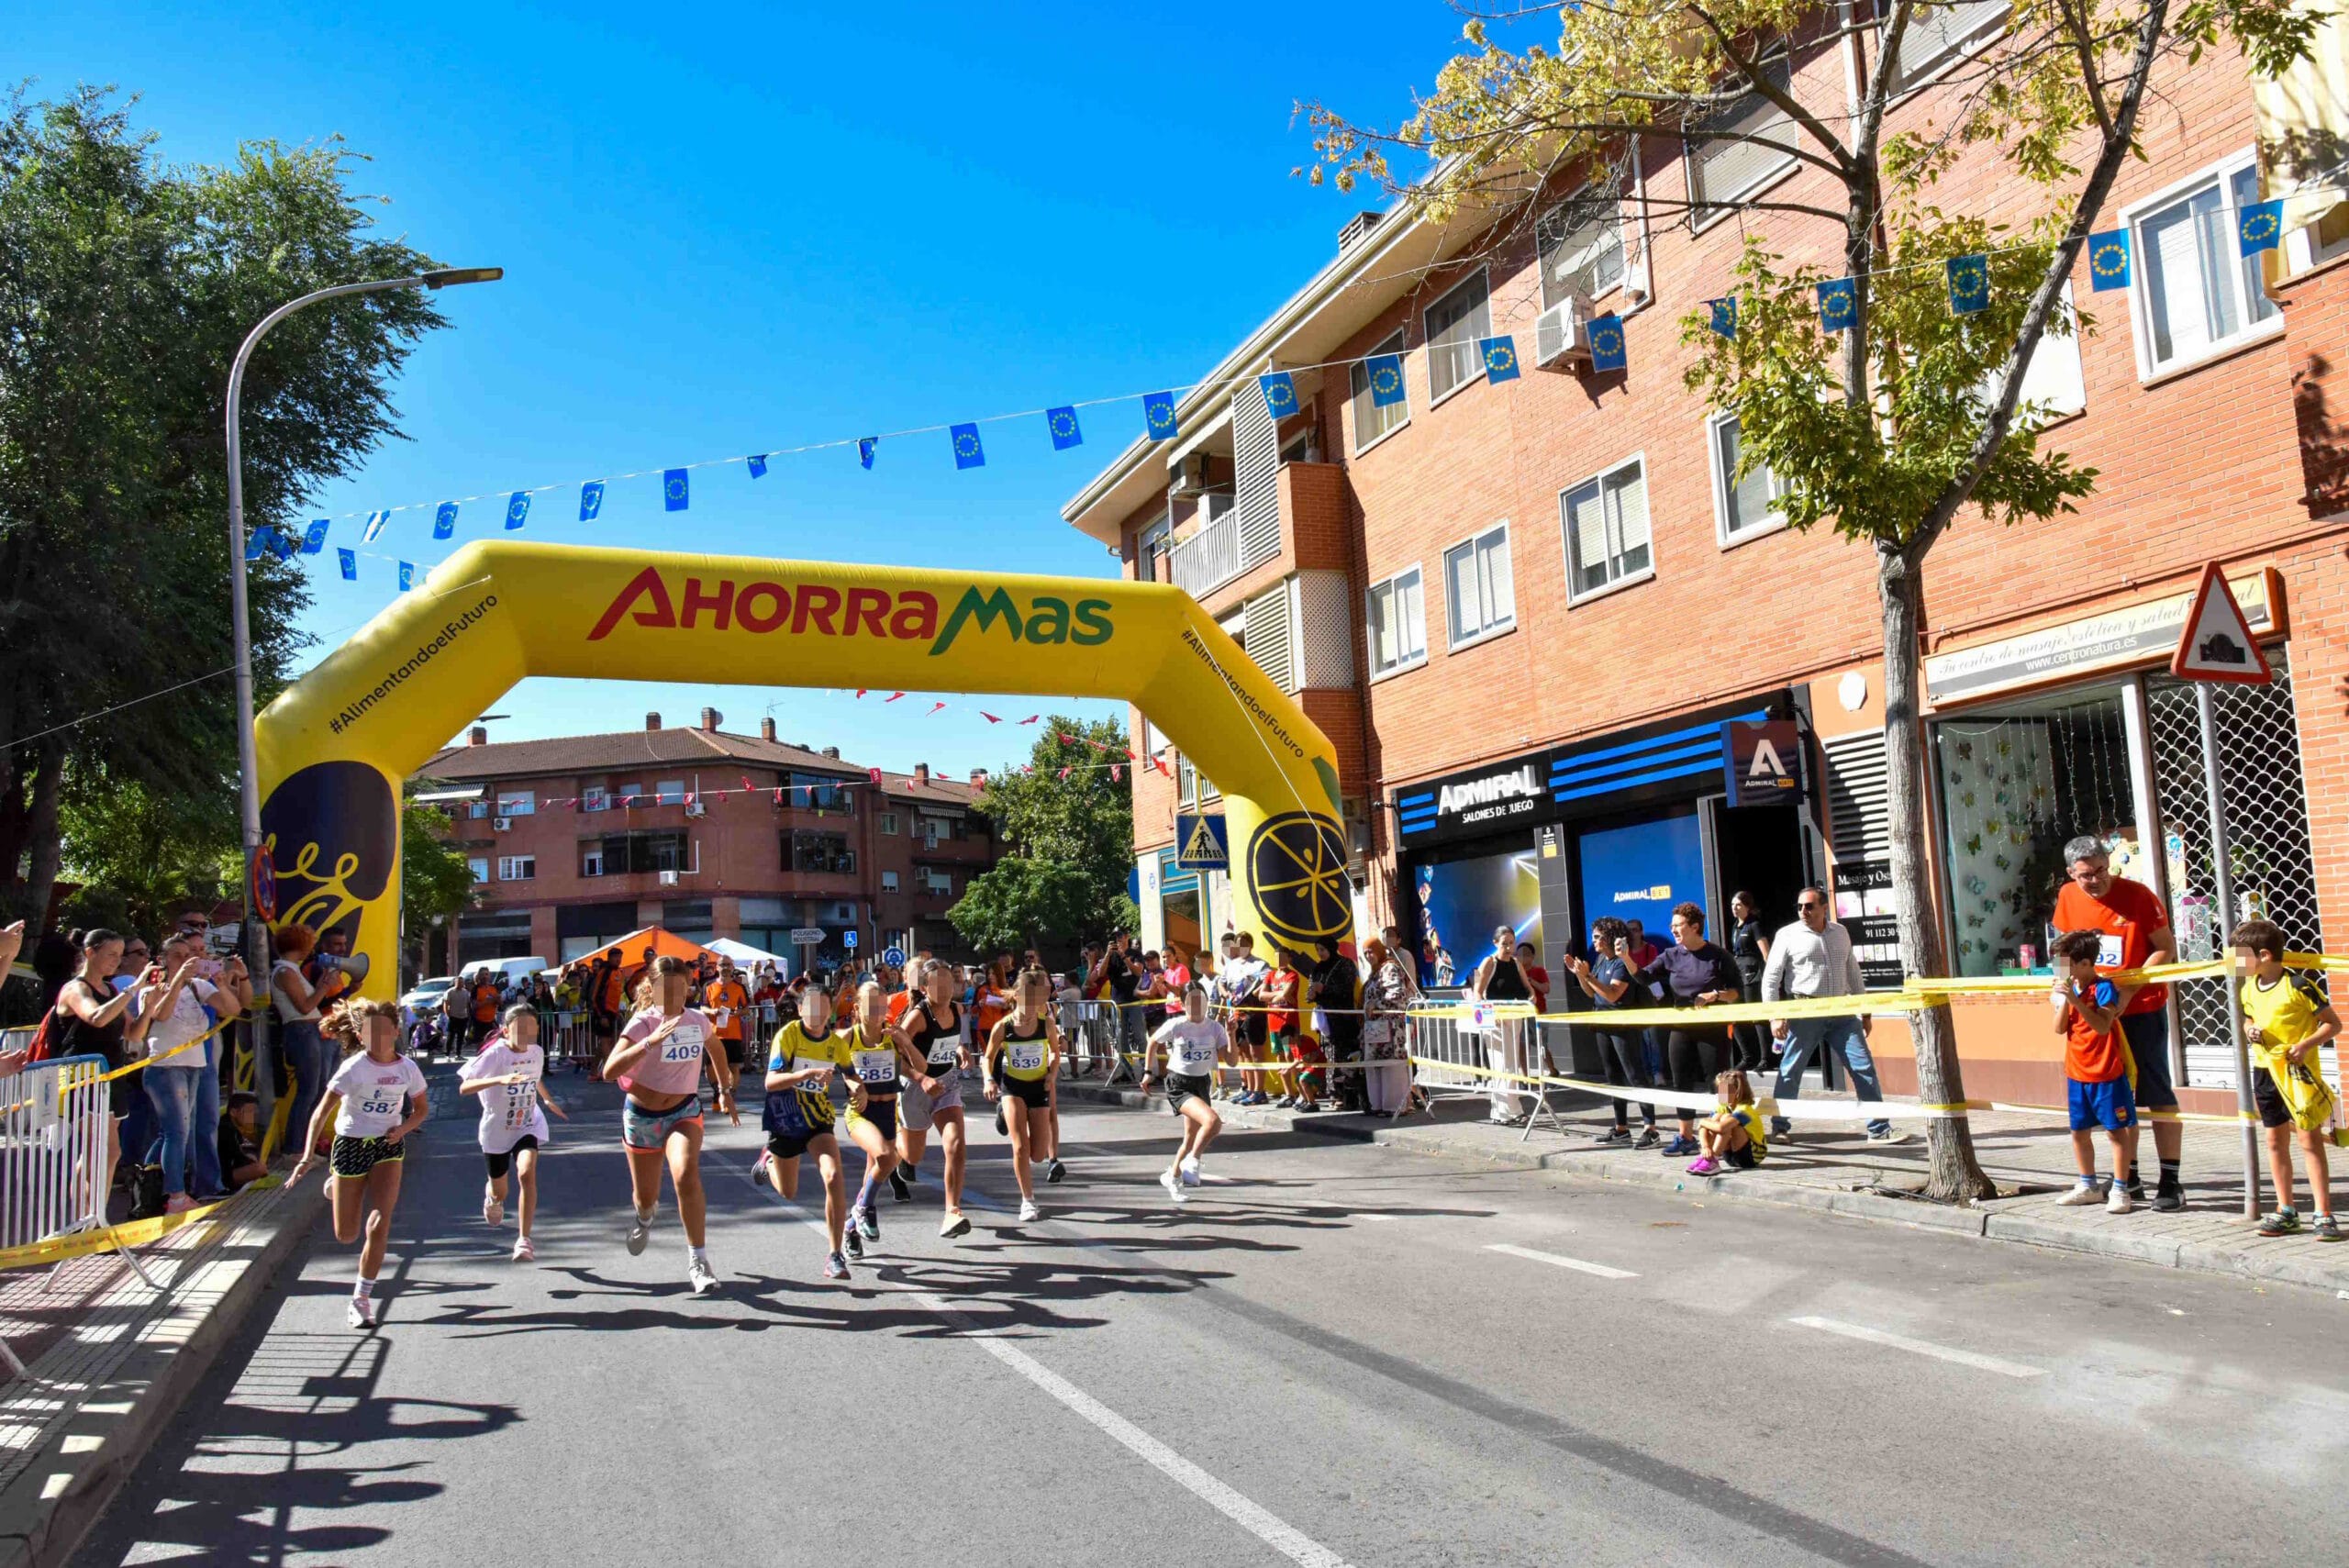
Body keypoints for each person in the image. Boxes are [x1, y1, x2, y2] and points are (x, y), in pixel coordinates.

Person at [2052, 837, 2184, 1210]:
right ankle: (2129, 1177)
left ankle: (2171, 1181)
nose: (2095, 880)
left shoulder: (2138, 896)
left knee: (2156, 1093)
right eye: (2085, 875)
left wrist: (2128, 989)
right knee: (2118, 1098)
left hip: (2140, 1008)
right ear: (2071, 874)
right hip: (2090, 1013)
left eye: (2100, 871)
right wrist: (2061, 993)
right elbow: (2063, 949)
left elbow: (2165, 948)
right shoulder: (2067, 897)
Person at [602, 954, 738, 1295]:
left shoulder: (696, 1020)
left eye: (680, 989)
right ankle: (644, 1217)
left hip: (683, 1111)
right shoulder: (643, 1023)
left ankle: (698, 1260)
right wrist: (649, 1043)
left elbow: (716, 1050)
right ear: (651, 988)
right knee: (645, 1198)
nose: (674, 996)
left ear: (689, 987)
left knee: (686, 1175)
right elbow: (609, 1071)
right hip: (642, 1117)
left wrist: (724, 1091)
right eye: (666, 989)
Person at [292, 999, 429, 1328]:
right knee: (346, 1234)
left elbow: (422, 1109)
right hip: (350, 1144)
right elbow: (321, 1112)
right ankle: (335, 1184)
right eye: (371, 1032)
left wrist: (403, 1129)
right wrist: (307, 1156)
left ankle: (361, 1299)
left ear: (395, 1032)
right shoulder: (354, 1068)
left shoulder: (407, 1069)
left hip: (387, 1146)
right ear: (361, 1036)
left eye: (384, 1031)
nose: (378, 1038)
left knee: (379, 1223)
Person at [2231, 919, 2343, 1240]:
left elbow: (2332, 1024)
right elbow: (2249, 1017)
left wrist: (2305, 1045)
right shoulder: (2249, 987)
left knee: (2309, 1142)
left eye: (2240, 957)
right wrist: (2250, 1029)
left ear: (2264, 955)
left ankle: (2323, 1213)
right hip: (2265, 1073)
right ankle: (2286, 1210)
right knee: (2275, 1142)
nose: (2235, 964)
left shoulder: (2298, 986)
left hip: (2297, 1076)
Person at [1761, 887, 1898, 1143]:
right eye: (1799, 906)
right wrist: (1774, 1016)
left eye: (1809, 906)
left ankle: (1879, 1128)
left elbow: (1853, 971)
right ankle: (1779, 1127)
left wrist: (1865, 1011)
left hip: (1842, 1012)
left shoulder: (1840, 932)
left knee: (1863, 1067)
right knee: (1791, 1070)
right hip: (1805, 1010)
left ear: (1824, 907)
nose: (1803, 911)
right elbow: (1771, 978)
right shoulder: (1787, 935)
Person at [51, 929, 169, 1205]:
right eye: (111, 954)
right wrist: (134, 988)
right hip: (83, 1074)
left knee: (109, 1152)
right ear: (90, 953)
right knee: (98, 1149)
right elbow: (96, 1017)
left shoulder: (112, 990)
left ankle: (94, 1214)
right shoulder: (76, 988)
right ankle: (86, 1216)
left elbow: (133, 1034)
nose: (116, 961)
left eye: (119, 955)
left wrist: (149, 1007)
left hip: (110, 1073)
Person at [137, 930, 250, 1210]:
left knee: (174, 1133)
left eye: (189, 956)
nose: (186, 960)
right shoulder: (151, 989)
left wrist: (223, 984)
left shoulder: (199, 986)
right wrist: (177, 980)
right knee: (177, 1133)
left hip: (195, 1065)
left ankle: (148, 1187)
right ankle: (175, 1195)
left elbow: (233, 1008)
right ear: (162, 959)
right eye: (177, 955)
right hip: (166, 1067)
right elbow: (161, 1014)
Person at [1622, 904, 1742, 1157]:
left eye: (1677, 925)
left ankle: (1725, 1132)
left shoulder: (1718, 955)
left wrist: (1715, 995)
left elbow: (1736, 992)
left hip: (1713, 1027)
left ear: (1695, 927)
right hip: (1681, 1027)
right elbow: (1644, 978)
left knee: (1720, 1082)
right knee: (1681, 1082)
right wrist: (1625, 958)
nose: (1673, 930)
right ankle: (1686, 1137)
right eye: (1672, 926)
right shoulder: (1670, 955)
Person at [760, 978, 856, 1279]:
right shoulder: (788, 1035)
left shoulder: (836, 1043)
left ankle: (835, 1255)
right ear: (801, 1009)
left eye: (824, 1007)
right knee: (788, 1192)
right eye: (812, 1007)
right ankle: (768, 1161)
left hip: (818, 1120)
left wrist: (858, 1089)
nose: (818, 1013)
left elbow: (851, 1075)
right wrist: (805, 1074)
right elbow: (771, 1082)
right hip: (787, 1119)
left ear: (830, 1011)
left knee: (833, 1176)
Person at [460, 1003, 567, 1262]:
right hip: (497, 1129)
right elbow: (465, 1087)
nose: (526, 1033)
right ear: (506, 1030)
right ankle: (493, 1198)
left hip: (526, 1123)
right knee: (501, 1192)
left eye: (531, 1027)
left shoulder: (537, 1052)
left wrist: (547, 1099)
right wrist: (499, 1079)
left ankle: (524, 1240)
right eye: (520, 1028)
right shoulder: (496, 1054)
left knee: (526, 1173)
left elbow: (534, 1078)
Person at [2050, 928, 2136, 1213]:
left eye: (2065, 963)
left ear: (2085, 963)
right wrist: (2065, 1000)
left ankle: (2121, 1189)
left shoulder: (2103, 988)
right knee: (2079, 1132)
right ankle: (2088, 1185)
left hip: (2106, 1073)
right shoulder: (2068, 989)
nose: (2060, 969)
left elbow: (2102, 1026)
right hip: (2077, 1073)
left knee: (2116, 1132)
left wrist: (2077, 1001)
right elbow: (2059, 1028)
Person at [891, 959, 974, 1237]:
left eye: (949, 982)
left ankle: (952, 1211)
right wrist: (921, 1078)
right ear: (925, 988)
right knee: (913, 1155)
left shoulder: (957, 1009)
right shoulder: (918, 1016)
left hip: (946, 1084)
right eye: (938, 983)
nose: (945, 988)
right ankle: (898, 1152)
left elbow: (948, 1040)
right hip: (915, 1088)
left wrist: (959, 1050)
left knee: (956, 1144)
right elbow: (893, 1057)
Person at [982, 965, 1064, 1224]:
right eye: (1027, 997)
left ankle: (1003, 1113)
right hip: (1013, 1087)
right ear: (1016, 995)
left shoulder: (1046, 1023)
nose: (1032, 1003)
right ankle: (1027, 1200)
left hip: (1039, 1086)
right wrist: (988, 1079)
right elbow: (988, 1057)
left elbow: (1055, 1052)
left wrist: (1052, 1074)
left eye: (1036, 997)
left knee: (1037, 1154)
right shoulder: (1003, 1026)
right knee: (1020, 1147)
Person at [1570, 917, 1660, 1148]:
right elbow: (1592, 994)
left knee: (1635, 1074)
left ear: (1610, 937)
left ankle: (1650, 1129)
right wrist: (1580, 974)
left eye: (1597, 937)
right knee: (1613, 1076)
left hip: (1623, 1025)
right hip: (1603, 1023)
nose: (1594, 941)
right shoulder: (1601, 959)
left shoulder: (1622, 963)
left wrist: (1588, 976)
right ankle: (1621, 1128)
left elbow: (1612, 994)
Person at [836, 980, 906, 1262]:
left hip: (888, 1112)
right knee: (887, 1158)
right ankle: (863, 1210)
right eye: (871, 1005)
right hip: (860, 1113)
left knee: (875, 1172)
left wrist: (908, 1046)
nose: (877, 1010)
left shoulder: (893, 1036)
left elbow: (916, 1066)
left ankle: (851, 1228)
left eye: (881, 1005)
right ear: (857, 1008)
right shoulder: (847, 1037)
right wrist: (852, 1083)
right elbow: (831, 1061)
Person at [270, 924, 351, 1162]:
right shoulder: (285, 972)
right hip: (301, 1031)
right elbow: (305, 1006)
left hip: (308, 1031)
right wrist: (323, 986)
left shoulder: (291, 970)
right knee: (308, 1091)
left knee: (314, 1090)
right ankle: (294, 1148)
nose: (311, 948)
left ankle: (304, 1146)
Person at [1141, 983, 1227, 1203]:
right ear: (1183, 1003)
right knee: (1213, 1122)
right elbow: (1153, 1042)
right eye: (1192, 1001)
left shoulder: (1215, 1027)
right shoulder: (1177, 1024)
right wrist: (1148, 1072)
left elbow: (1231, 1059)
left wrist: (1233, 1034)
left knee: (1190, 1138)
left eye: (1201, 1000)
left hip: (1202, 1082)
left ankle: (1172, 1176)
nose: (1197, 1005)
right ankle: (1193, 1161)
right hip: (1179, 1083)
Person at [1466, 926, 1534, 1125]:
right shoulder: (1489, 962)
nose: (1509, 947)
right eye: (1504, 943)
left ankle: (1501, 1112)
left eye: (1512, 943)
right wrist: (1489, 1013)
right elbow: (1478, 992)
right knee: (1503, 1064)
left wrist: (1531, 998)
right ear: (1495, 943)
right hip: (1494, 1019)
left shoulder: (1516, 963)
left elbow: (1528, 988)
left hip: (1514, 1016)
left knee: (1510, 1064)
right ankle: (1511, 1111)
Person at [1360, 935, 1419, 1116]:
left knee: (1391, 1066)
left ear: (1379, 950)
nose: (1368, 956)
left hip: (1391, 1028)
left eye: (1371, 952)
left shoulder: (1390, 968)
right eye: (1365, 953)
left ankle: (1394, 1106)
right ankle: (1378, 1105)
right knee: (1375, 1066)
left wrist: (1376, 1004)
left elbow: (1397, 994)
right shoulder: (1375, 972)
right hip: (1375, 1028)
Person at [1685, 1068, 1767, 1176]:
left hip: (1750, 1157)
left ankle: (1713, 1160)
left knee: (1725, 1120)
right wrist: (1705, 1147)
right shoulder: (1722, 1107)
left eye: (1724, 1091)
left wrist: (1702, 1121)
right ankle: (1706, 1158)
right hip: (1730, 1156)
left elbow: (1721, 1128)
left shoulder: (1745, 1110)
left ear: (1737, 1092)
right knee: (1716, 1118)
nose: (1720, 1095)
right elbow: (1704, 1127)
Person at [1219, 934, 1272, 1104]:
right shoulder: (1231, 965)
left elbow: (1267, 982)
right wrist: (1226, 993)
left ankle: (1260, 1091)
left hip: (1254, 1012)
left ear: (1251, 945)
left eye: (1244, 944)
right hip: (1236, 1012)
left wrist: (1257, 991)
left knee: (1256, 1051)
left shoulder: (1260, 964)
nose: (1241, 947)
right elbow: (1221, 982)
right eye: (1238, 944)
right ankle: (1249, 1088)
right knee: (1242, 1051)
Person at [1726, 891, 1773, 1073]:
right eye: (1732, 905)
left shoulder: (1754, 925)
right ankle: (1748, 1057)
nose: (1734, 908)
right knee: (1735, 1016)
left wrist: (1770, 977)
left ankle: (1766, 1058)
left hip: (1753, 975)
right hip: (1737, 974)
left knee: (1756, 1016)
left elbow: (1766, 953)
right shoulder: (1735, 927)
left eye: (1738, 904)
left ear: (1747, 906)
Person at [1265, 949, 1318, 1110]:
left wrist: (1274, 995)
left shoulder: (1292, 975)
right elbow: (1260, 995)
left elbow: (1286, 994)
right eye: (1277, 957)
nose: (1280, 960)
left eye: (1283, 957)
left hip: (1288, 1022)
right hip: (1273, 1021)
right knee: (1280, 1056)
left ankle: (1302, 1093)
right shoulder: (1270, 975)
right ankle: (1289, 1093)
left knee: (1291, 1056)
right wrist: (1279, 994)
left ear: (1289, 958)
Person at [706, 959, 750, 1089]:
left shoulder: (739, 987)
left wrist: (738, 1012)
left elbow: (747, 1008)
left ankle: (731, 1093)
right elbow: (702, 1007)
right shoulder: (708, 985)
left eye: (728, 965)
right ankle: (717, 1091)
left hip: (733, 1034)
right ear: (717, 967)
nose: (725, 967)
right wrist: (712, 1011)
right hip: (713, 1034)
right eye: (722, 965)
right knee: (710, 1066)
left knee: (733, 1066)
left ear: (732, 967)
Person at [217, 1091, 268, 1193]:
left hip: (226, 1168)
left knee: (254, 1160)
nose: (252, 1117)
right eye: (249, 1112)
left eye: (254, 1113)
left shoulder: (232, 1125)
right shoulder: (227, 1128)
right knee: (260, 1168)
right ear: (233, 1112)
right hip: (221, 1175)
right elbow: (238, 1156)